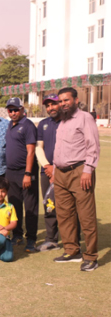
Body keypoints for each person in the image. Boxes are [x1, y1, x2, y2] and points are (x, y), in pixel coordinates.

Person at [52, 87, 100, 272]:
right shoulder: (62, 121)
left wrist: (88, 170)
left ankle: (91, 256)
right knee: (64, 215)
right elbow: (59, 149)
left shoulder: (84, 118)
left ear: (76, 100)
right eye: (61, 101)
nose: (63, 103)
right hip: (61, 174)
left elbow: (93, 146)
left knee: (86, 216)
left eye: (66, 100)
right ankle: (72, 251)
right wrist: (55, 170)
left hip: (80, 172)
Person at [4, 97, 39, 252]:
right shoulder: (10, 125)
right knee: (15, 206)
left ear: (22, 110)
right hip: (11, 172)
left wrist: (27, 173)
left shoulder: (28, 125)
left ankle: (31, 239)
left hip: (25, 172)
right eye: (10, 110)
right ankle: (17, 235)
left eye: (15, 109)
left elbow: (31, 151)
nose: (13, 113)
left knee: (30, 208)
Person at [35, 94, 63, 252]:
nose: (51, 108)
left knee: (68, 206)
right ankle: (51, 239)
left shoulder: (68, 122)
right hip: (46, 171)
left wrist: (56, 169)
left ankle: (71, 239)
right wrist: (47, 166)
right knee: (49, 205)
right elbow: (39, 148)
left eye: (54, 104)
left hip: (65, 171)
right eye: (48, 105)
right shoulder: (43, 124)